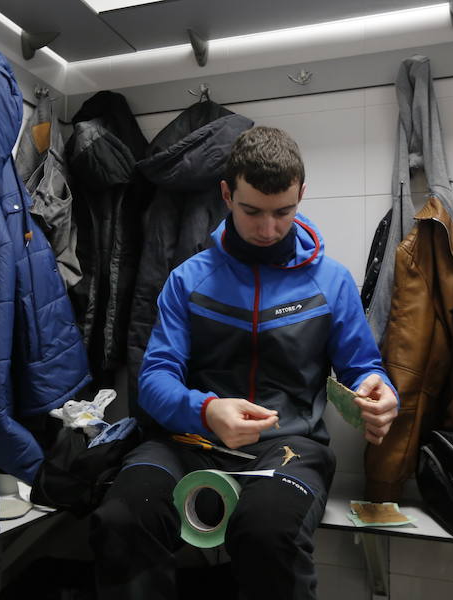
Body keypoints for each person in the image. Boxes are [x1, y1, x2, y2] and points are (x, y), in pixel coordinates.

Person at [89, 126, 399, 599]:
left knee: (268, 533)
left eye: (284, 213)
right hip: (188, 438)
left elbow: (361, 367)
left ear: (302, 196)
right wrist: (206, 410)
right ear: (226, 194)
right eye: (252, 211)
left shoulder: (331, 282)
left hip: (289, 447)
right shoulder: (187, 279)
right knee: (122, 517)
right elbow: (153, 379)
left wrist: (379, 388)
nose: (268, 229)